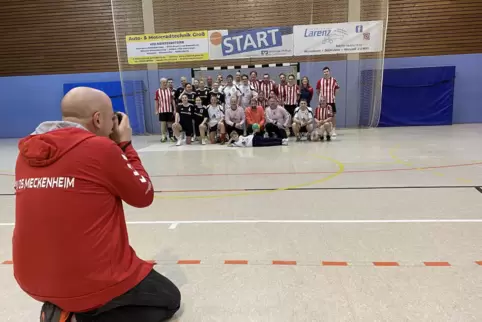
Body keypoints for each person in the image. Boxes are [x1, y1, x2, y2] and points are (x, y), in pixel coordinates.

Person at [14, 87, 180, 322]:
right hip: (90, 281)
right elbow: (144, 195)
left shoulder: (26, 153)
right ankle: (76, 317)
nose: (114, 124)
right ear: (98, 119)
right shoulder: (100, 149)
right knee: (168, 299)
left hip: (30, 279)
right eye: (112, 118)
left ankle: (60, 305)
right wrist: (125, 145)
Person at [316, 67, 340, 136]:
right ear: (323, 73)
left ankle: (333, 130)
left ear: (329, 72)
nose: (325, 73)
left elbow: (337, 89)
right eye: (324, 72)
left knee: (333, 116)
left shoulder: (334, 80)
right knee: (321, 115)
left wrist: (333, 96)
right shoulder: (320, 81)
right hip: (323, 102)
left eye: (327, 71)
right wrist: (321, 98)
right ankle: (321, 130)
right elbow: (317, 90)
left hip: (331, 101)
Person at [155, 78, 175, 143]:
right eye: (163, 82)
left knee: (170, 123)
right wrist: (156, 110)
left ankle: (171, 135)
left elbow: (172, 100)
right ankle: (163, 136)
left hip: (169, 109)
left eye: (166, 82)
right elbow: (156, 101)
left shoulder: (170, 90)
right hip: (162, 110)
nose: (165, 83)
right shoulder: (157, 91)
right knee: (163, 123)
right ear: (160, 83)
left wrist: (174, 109)